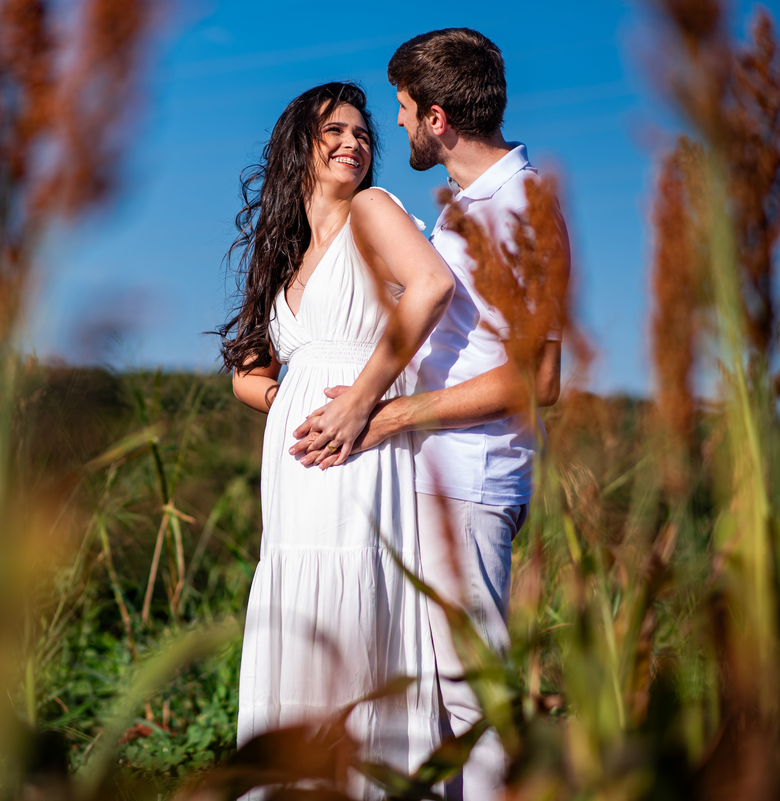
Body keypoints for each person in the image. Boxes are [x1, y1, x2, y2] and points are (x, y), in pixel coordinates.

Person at [291, 29, 567, 800]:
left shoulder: (523, 207)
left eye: (405, 110)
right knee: (432, 710)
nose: (399, 126)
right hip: (425, 485)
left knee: (472, 697)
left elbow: (539, 378)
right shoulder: (464, 209)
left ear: (438, 117)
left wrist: (394, 411)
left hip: (472, 485)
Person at [219, 81, 455, 797]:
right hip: (297, 474)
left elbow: (432, 285)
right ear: (301, 145)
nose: (354, 141)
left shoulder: (373, 210)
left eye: (362, 132)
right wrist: (285, 398)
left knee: (357, 609)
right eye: (335, 130)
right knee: (300, 612)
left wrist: (359, 400)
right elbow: (247, 370)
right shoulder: (284, 247)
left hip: (364, 453)